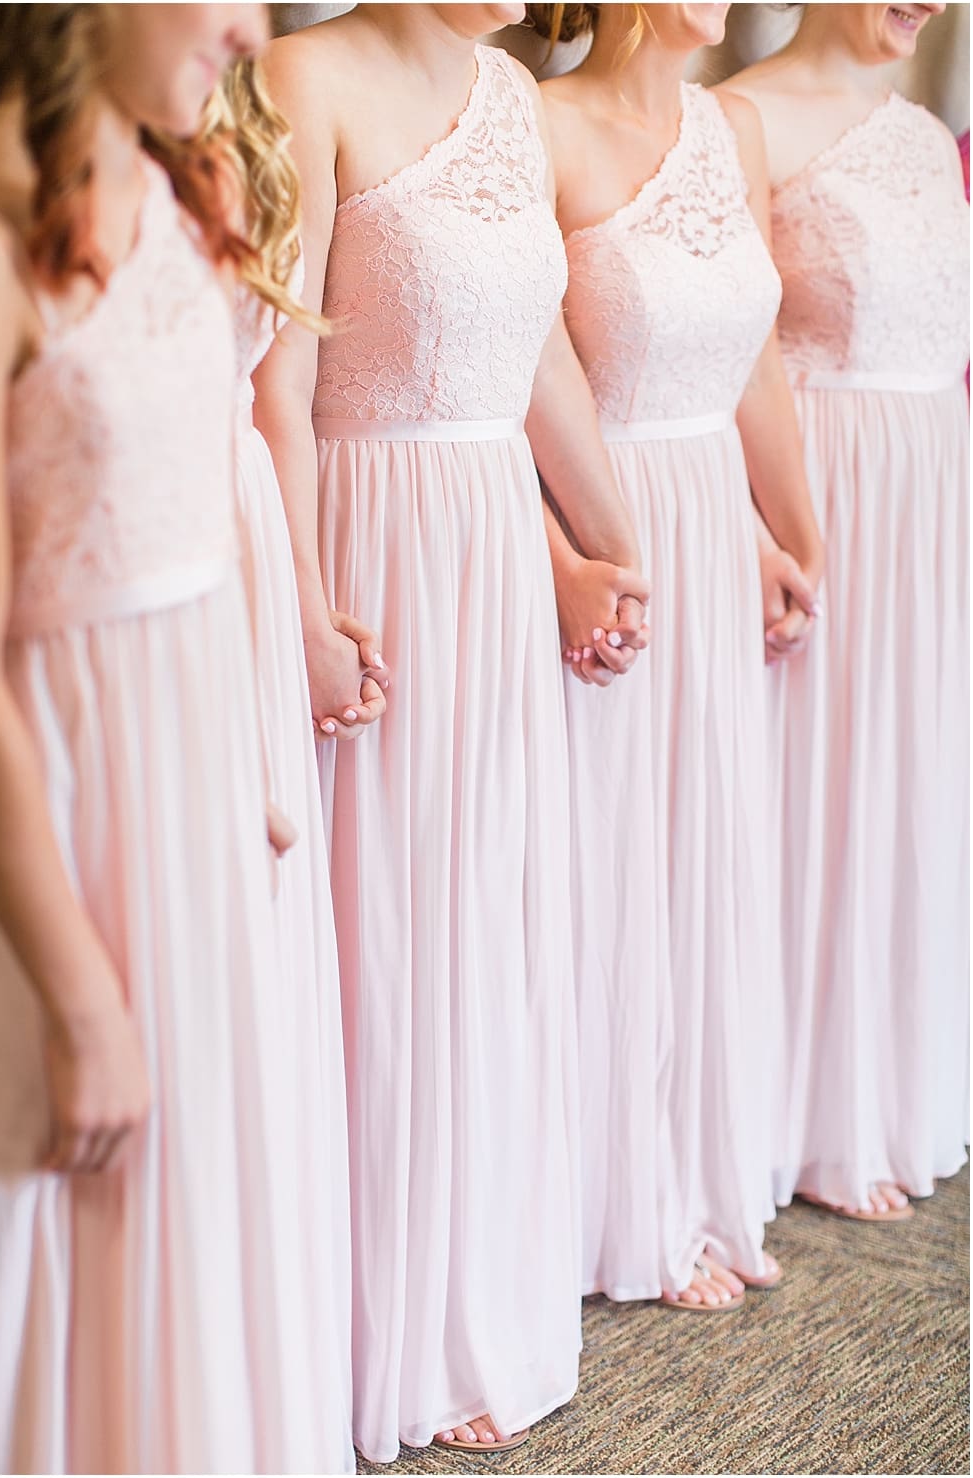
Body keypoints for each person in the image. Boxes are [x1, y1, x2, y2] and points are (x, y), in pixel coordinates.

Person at [257, 2, 651, 1456]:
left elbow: (532, 356)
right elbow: (274, 381)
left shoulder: (504, 90)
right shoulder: (304, 75)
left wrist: (595, 552)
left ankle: (479, 1295)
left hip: (491, 547)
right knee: (391, 925)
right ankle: (382, 1328)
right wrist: (300, 604)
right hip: (370, 549)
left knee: (487, 916)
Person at [0, 6, 358, 1471]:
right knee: (95, 1176)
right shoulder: (11, 244)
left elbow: (214, 510)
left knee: (211, 1174)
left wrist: (256, 762)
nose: (250, 26)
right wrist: (74, 989)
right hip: (83, 790)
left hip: (203, 768)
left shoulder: (181, 191)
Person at [530, 0, 826, 1314]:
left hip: (710, 518)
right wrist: (560, 558)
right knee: (601, 866)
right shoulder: (539, 125)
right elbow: (504, 377)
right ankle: (602, 1205)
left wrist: (786, 529)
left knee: (699, 855)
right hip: (605, 530)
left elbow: (750, 348)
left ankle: (691, 1177)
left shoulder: (721, 127)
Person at [720, 0, 970, 1222]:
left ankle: (895, 1077)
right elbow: (729, 339)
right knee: (822, 780)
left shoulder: (927, 133)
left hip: (933, 485)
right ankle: (799, 1106)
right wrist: (774, 518)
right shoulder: (741, 117)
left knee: (916, 775)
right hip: (821, 482)